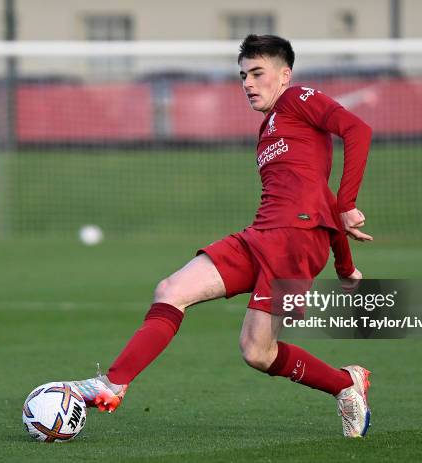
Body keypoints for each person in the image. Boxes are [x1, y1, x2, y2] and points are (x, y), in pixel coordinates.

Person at [71, 34, 373, 438]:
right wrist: (345, 264)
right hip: (261, 235)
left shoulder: (298, 97)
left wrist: (349, 204)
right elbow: (321, 194)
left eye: (257, 73)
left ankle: (344, 385)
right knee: (173, 290)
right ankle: (113, 382)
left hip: (295, 242)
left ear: (284, 75)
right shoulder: (269, 127)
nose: (247, 83)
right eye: (243, 75)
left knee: (257, 352)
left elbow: (357, 129)